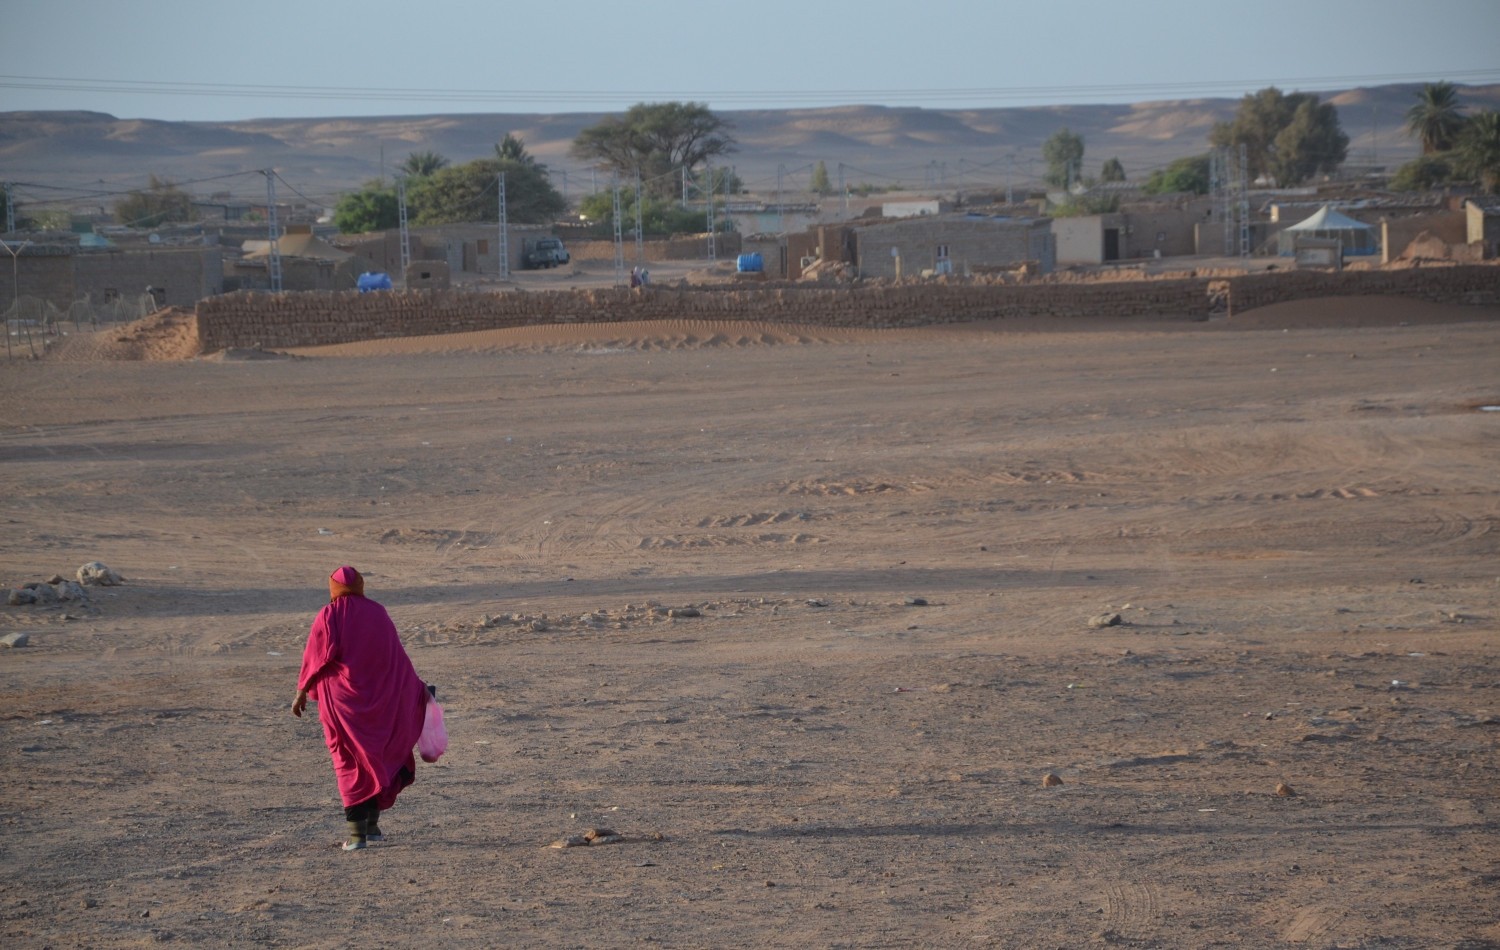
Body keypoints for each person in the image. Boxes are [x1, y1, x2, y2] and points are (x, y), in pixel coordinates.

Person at [292, 566, 430, 851]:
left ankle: (357, 837)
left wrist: (301, 692)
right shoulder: (378, 613)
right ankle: (372, 827)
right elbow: (396, 657)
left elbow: (315, 657)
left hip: (342, 706)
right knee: (375, 757)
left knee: (348, 760)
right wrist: (414, 689)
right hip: (381, 703)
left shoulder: (328, 615)